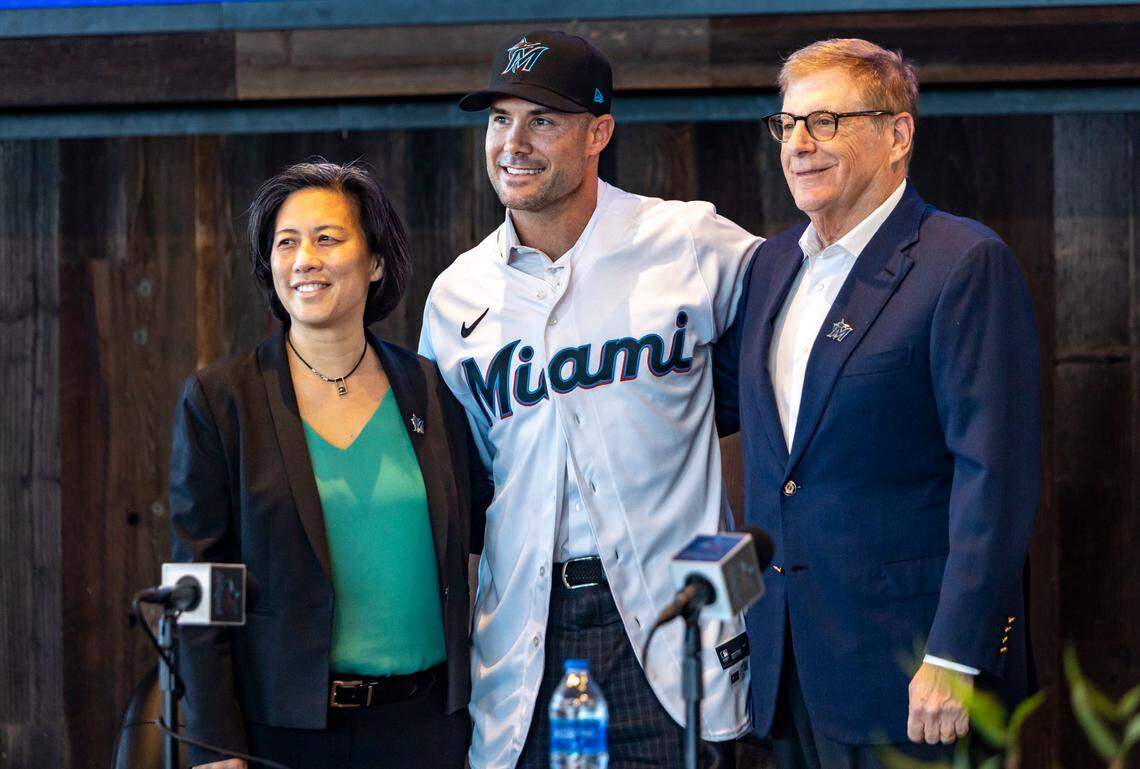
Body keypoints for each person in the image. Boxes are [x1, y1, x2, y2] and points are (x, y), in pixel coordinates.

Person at [419, 30, 761, 769]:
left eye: (543, 120)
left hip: (675, 615)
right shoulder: (456, 298)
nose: (514, 142)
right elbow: (460, 485)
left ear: (598, 132)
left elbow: (798, 336)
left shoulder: (688, 241)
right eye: (499, 119)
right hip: (527, 629)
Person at [714, 38, 1041, 769]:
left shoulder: (961, 262)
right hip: (786, 666)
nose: (799, 143)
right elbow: (771, 459)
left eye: (826, 121)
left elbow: (998, 477)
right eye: (788, 123)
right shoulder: (770, 265)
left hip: (912, 673)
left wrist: (955, 654)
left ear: (898, 134)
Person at [169, 160, 489, 769]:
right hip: (283, 733)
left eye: (327, 238)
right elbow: (205, 579)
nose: (303, 259)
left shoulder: (426, 388)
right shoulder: (223, 398)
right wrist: (215, 744)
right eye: (285, 243)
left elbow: (476, 540)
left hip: (428, 728)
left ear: (374, 262)